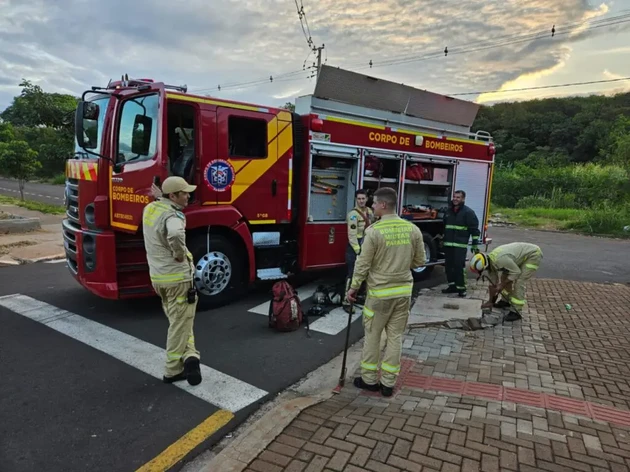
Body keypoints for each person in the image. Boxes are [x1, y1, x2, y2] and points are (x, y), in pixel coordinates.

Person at [347, 187, 426, 397]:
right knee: (395, 337)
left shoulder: (374, 232)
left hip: (380, 295)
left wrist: (353, 288)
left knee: (373, 336)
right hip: (403, 294)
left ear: (383, 205)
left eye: (374, 203)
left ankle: (369, 380)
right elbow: (420, 262)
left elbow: (362, 265)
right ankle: (388, 383)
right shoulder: (412, 229)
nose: (371, 206)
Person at [142, 176, 202, 385]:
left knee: (180, 320)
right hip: (178, 279)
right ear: (173, 196)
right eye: (184, 193)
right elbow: (176, 234)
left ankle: (191, 356)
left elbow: (160, 205)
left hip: (159, 278)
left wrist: (160, 196)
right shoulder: (173, 215)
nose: (188, 195)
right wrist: (178, 253)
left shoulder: (150, 209)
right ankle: (172, 369)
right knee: (180, 323)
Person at [469, 242, 543, 322]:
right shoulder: (489, 263)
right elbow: (493, 284)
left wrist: (502, 284)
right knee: (504, 277)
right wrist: (490, 301)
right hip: (518, 257)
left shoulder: (500, 260)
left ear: (484, 266)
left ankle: (516, 312)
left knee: (519, 282)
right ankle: (505, 301)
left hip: (533, 254)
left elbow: (516, 272)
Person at [442, 190, 480, 298]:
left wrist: (475, 243)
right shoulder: (448, 211)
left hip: (460, 245)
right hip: (448, 245)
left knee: (459, 267)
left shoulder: (468, 212)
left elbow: (474, 229)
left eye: (458, 197)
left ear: (463, 199)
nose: (455, 199)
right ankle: (452, 286)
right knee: (449, 266)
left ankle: (461, 289)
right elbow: (444, 226)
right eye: (454, 196)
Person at [343, 189, 375, 312]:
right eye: (359, 199)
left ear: (367, 199)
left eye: (363, 198)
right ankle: (346, 301)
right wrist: (358, 251)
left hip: (366, 245)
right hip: (354, 248)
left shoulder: (370, 212)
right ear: (356, 199)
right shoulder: (353, 215)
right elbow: (351, 236)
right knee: (352, 275)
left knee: (366, 273)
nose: (361, 201)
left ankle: (360, 296)